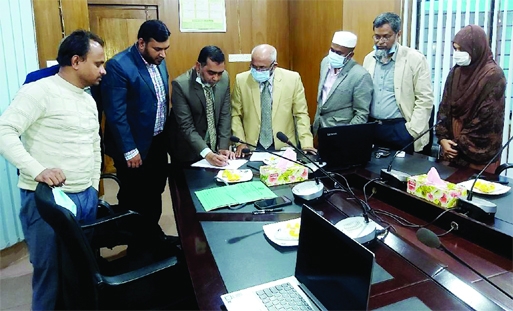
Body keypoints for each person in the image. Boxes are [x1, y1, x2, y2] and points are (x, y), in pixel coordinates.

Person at [0, 30, 106, 310]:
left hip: (85, 197)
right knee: (50, 274)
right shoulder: (39, 91)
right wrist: (38, 170)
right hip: (47, 202)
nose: (103, 70)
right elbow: (4, 131)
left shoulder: (87, 99)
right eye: (98, 64)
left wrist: (93, 186)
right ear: (76, 61)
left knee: (81, 271)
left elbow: (95, 145)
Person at [101, 20, 171, 227]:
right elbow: (116, 113)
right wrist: (130, 149)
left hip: (157, 141)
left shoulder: (159, 60)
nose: (163, 54)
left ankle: (152, 237)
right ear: (141, 43)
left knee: (155, 190)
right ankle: (137, 248)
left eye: (166, 48)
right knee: (134, 196)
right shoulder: (119, 66)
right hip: (134, 147)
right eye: (157, 48)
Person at [436, 25, 506, 170]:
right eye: (455, 49)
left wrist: (456, 143)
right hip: (450, 150)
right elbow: (445, 107)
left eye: (462, 49)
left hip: (477, 153)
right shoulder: (456, 72)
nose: (457, 53)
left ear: (476, 49)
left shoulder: (493, 76)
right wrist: (443, 139)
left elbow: (487, 120)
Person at [363, 12, 433, 153]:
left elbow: (425, 99)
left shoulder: (415, 59)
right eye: (377, 36)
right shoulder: (369, 59)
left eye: (386, 36)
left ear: (398, 34)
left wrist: (411, 131)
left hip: (401, 128)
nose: (380, 41)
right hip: (373, 127)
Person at [231, 44, 315, 157]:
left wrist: (306, 144)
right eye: (253, 66)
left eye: (262, 67)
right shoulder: (241, 80)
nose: (257, 70)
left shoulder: (292, 79)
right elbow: (235, 114)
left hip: (284, 146)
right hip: (251, 147)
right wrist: (240, 142)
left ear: (274, 66)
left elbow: (301, 114)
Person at [168, 46, 234, 166]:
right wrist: (207, 153)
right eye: (211, 73)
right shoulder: (181, 85)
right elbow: (186, 126)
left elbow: (225, 114)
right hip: (188, 150)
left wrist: (223, 146)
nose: (216, 78)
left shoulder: (224, 79)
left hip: (214, 148)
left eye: (220, 73)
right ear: (198, 66)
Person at [313, 31, 373, 136]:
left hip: (341, 133)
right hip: (320, 129)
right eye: (332, 50)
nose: (333, 54)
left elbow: (361, 114)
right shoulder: (325, 62)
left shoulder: (360, 75)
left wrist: (345, 136)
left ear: (350, 55)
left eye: (339, 53)